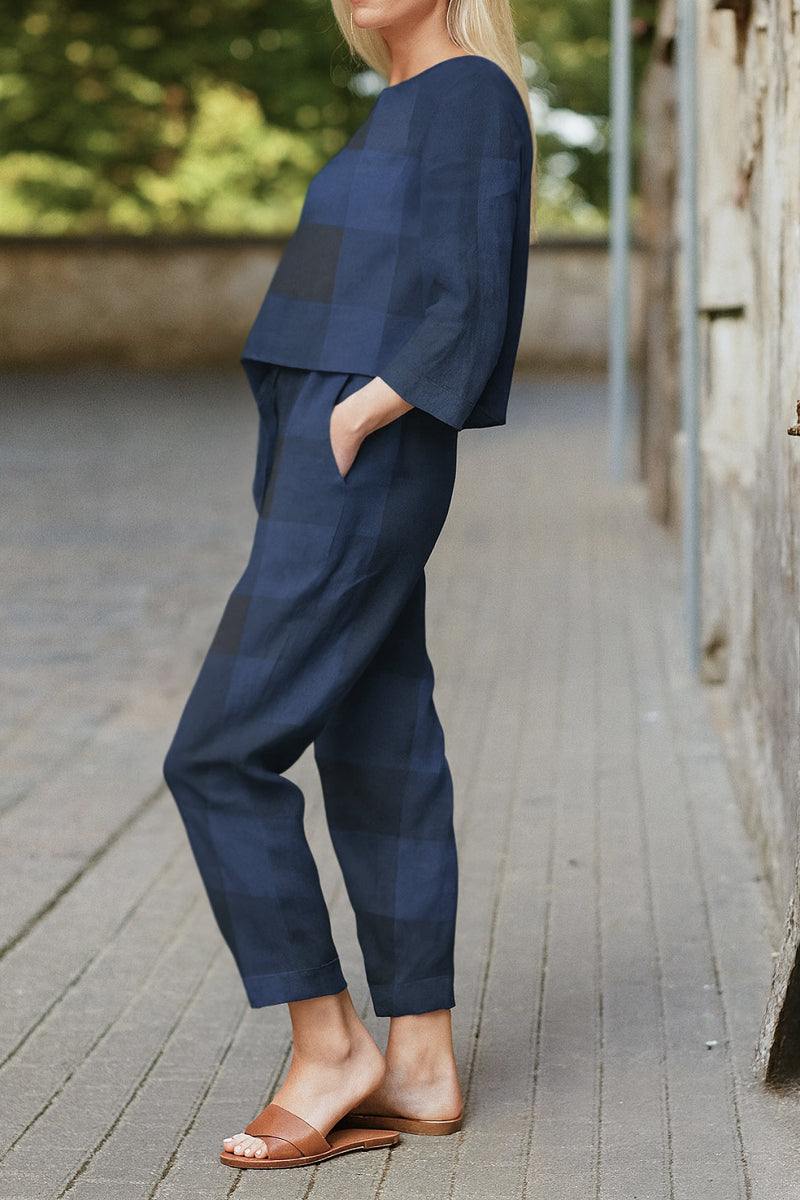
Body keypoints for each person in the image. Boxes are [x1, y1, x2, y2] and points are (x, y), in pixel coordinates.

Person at [163, 0, 535, 1172]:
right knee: (381, 740)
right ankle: (419, 1064)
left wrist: (363, 410)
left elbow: (472, 292)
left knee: (216, 755)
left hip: (361, 450)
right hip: (322, 445)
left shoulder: (469, 93)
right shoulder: (403, 105)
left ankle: (327, 1047)